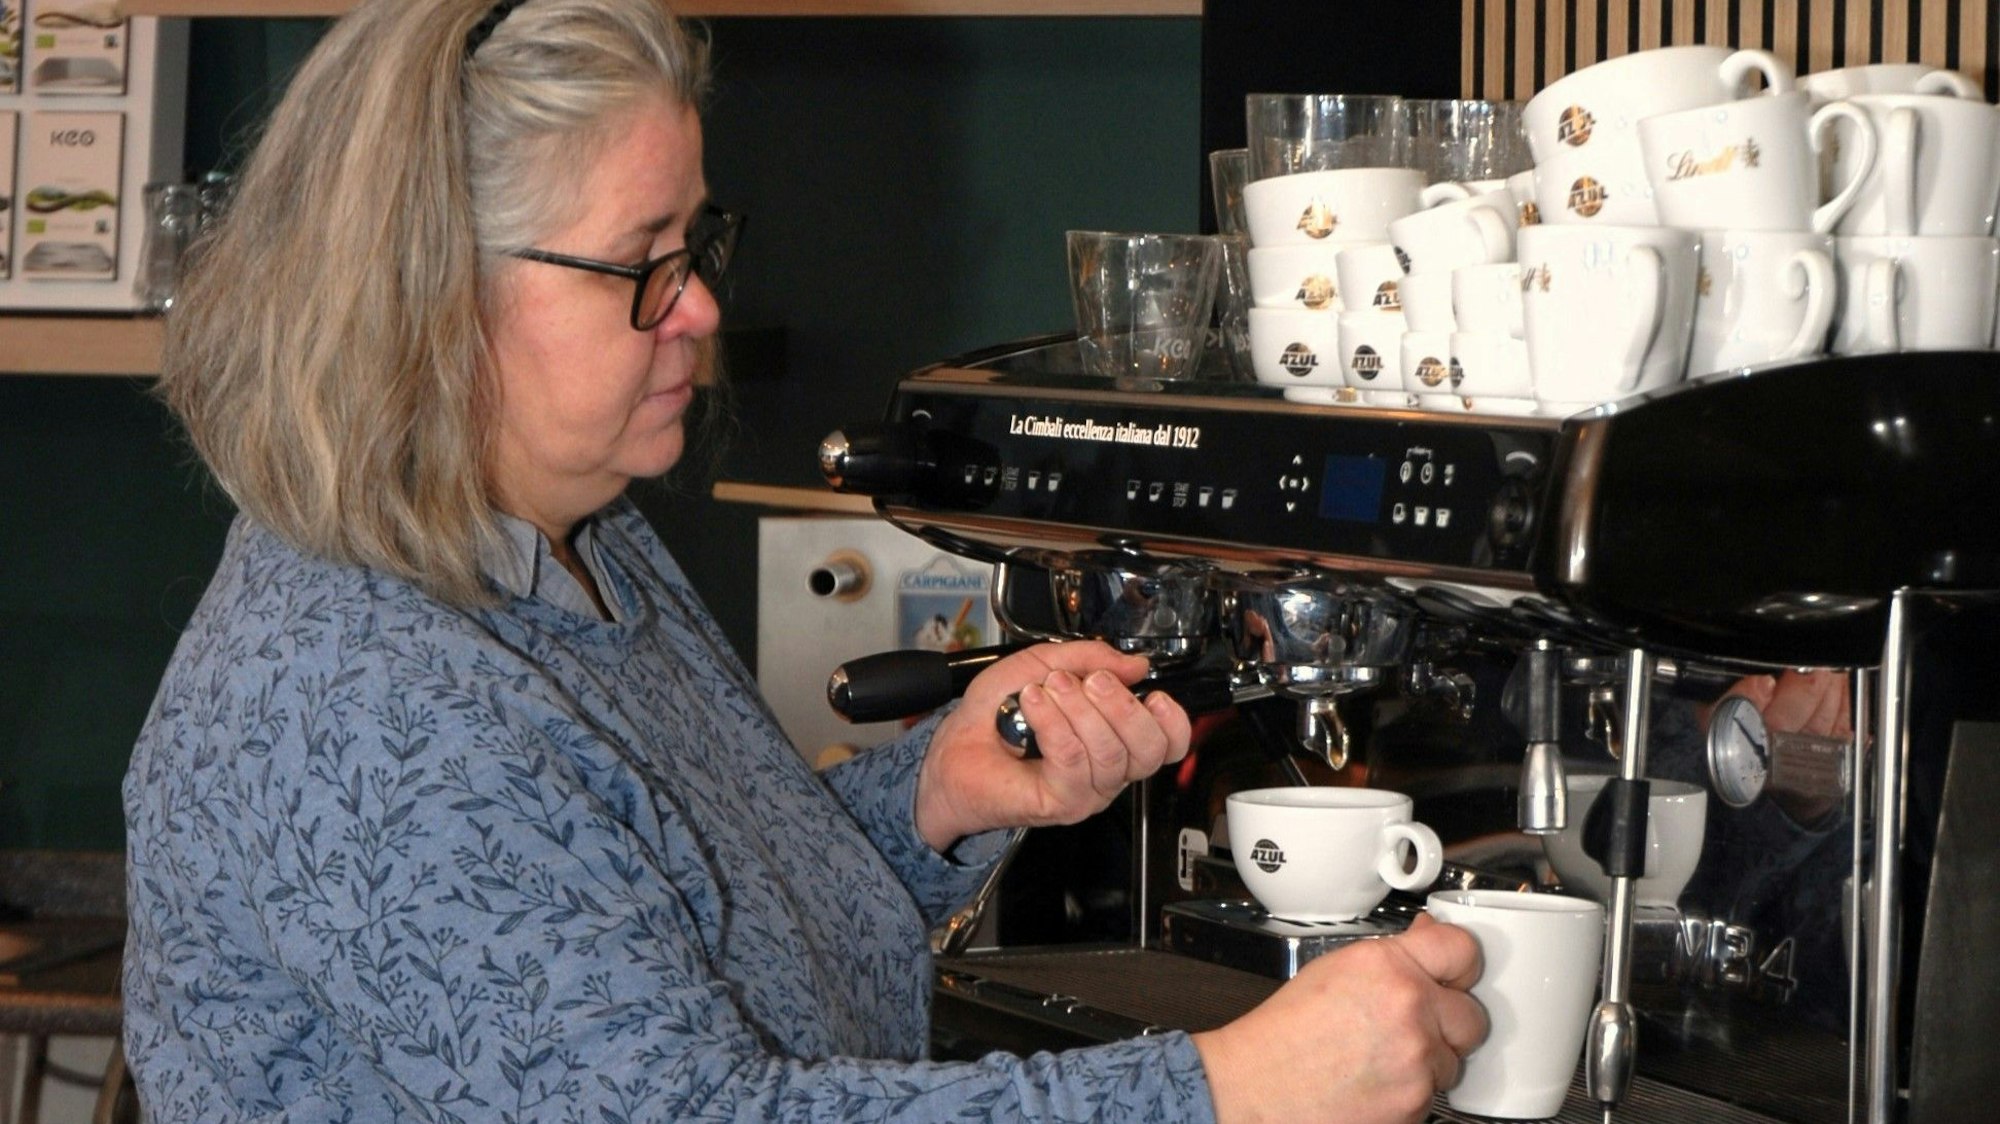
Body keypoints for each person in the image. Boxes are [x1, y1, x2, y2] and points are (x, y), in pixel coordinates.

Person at [121, 0, 1485, 1120]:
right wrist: (1228, 1089)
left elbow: (664, 931)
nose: (701, 308)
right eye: (644, 264)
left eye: (697, 243)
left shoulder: (578, 545)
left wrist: (930, 800)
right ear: (430, 293)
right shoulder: (359, 703)